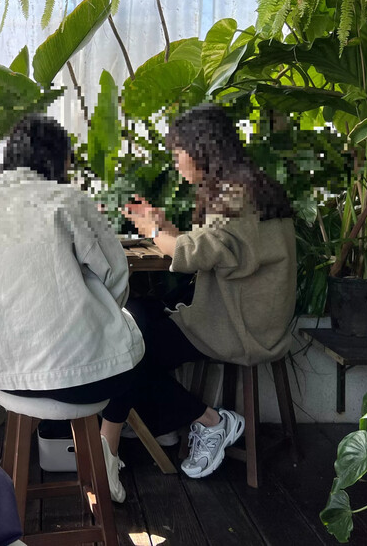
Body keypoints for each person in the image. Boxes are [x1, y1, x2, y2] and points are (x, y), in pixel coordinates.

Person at [0, 114, 146, 504]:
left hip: (2, 374)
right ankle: (107, 451)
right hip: (83, 381)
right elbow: (115, 277)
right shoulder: (68, 201)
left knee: (120, 337)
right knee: (133, 336)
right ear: (59, 159)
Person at [121, 103, 296, 479]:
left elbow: (193, 254)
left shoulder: (234, 196)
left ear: (200, 150)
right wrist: (163, 225)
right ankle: (161, 420)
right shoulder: (251, 187)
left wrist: (153, 231)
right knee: (139, 318)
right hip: (255, 315)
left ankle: (210, 421)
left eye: (178, 153)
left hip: (240, 327)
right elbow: (215, 248)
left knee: (126, 351)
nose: (176, 162)